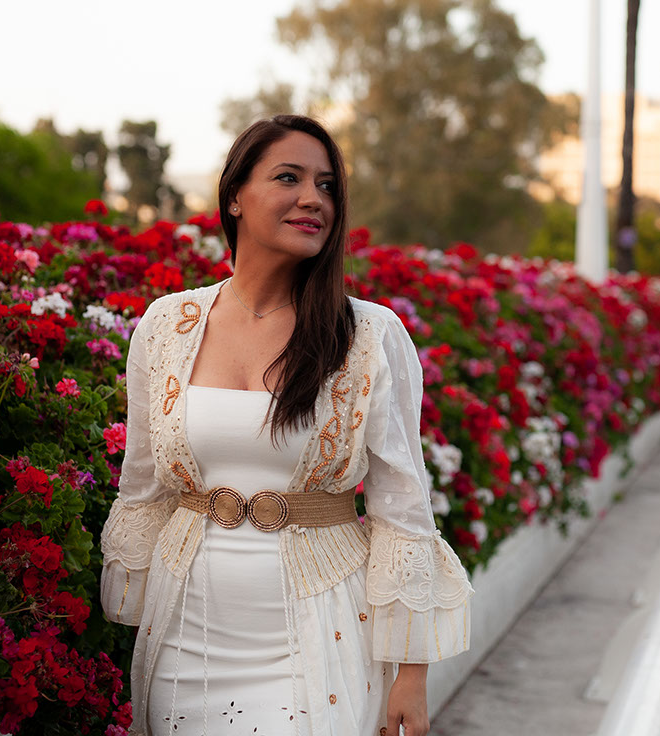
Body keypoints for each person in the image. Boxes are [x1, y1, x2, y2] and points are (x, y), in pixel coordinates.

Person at [99, 114, 473, 736]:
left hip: (316, 635)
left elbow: (402, 509)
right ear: (235, 197)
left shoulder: (370, 335)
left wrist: (411, 674)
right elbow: (142, 485)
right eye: (288, 178)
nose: (312, 199)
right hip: (184, 638)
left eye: (327, 186)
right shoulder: (168, 324)